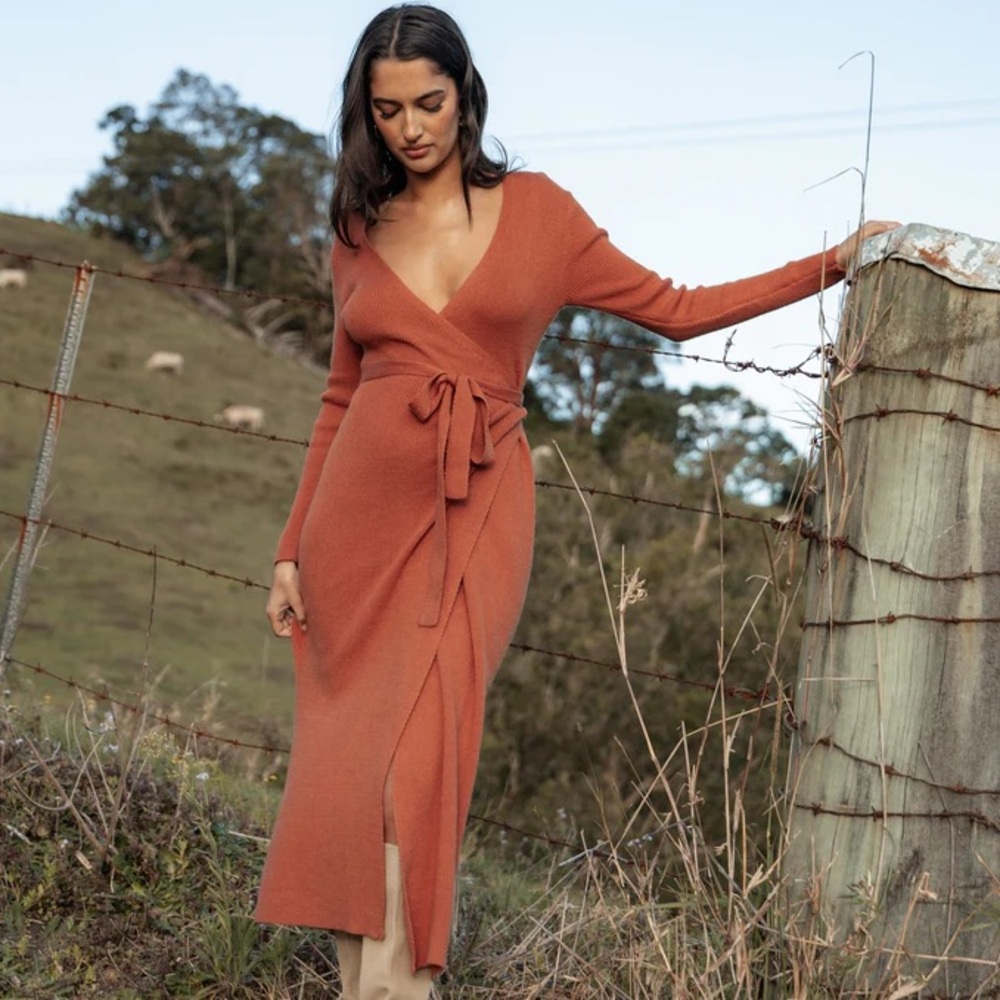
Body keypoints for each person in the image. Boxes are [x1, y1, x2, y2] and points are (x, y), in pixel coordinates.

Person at [255, 5, 899, 997]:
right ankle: (365, 989)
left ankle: (400, 986)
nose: (411, 128)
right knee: (349, 775)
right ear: (365, 114)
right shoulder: (357, 228)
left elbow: (676, 308)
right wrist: (291, 547)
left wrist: (832, 262)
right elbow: (340, 397)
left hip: (477, 508)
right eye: (388, 110)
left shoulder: (542, 213)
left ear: (466, 96)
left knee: (417, 767)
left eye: (429, 102)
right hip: (353, 531)